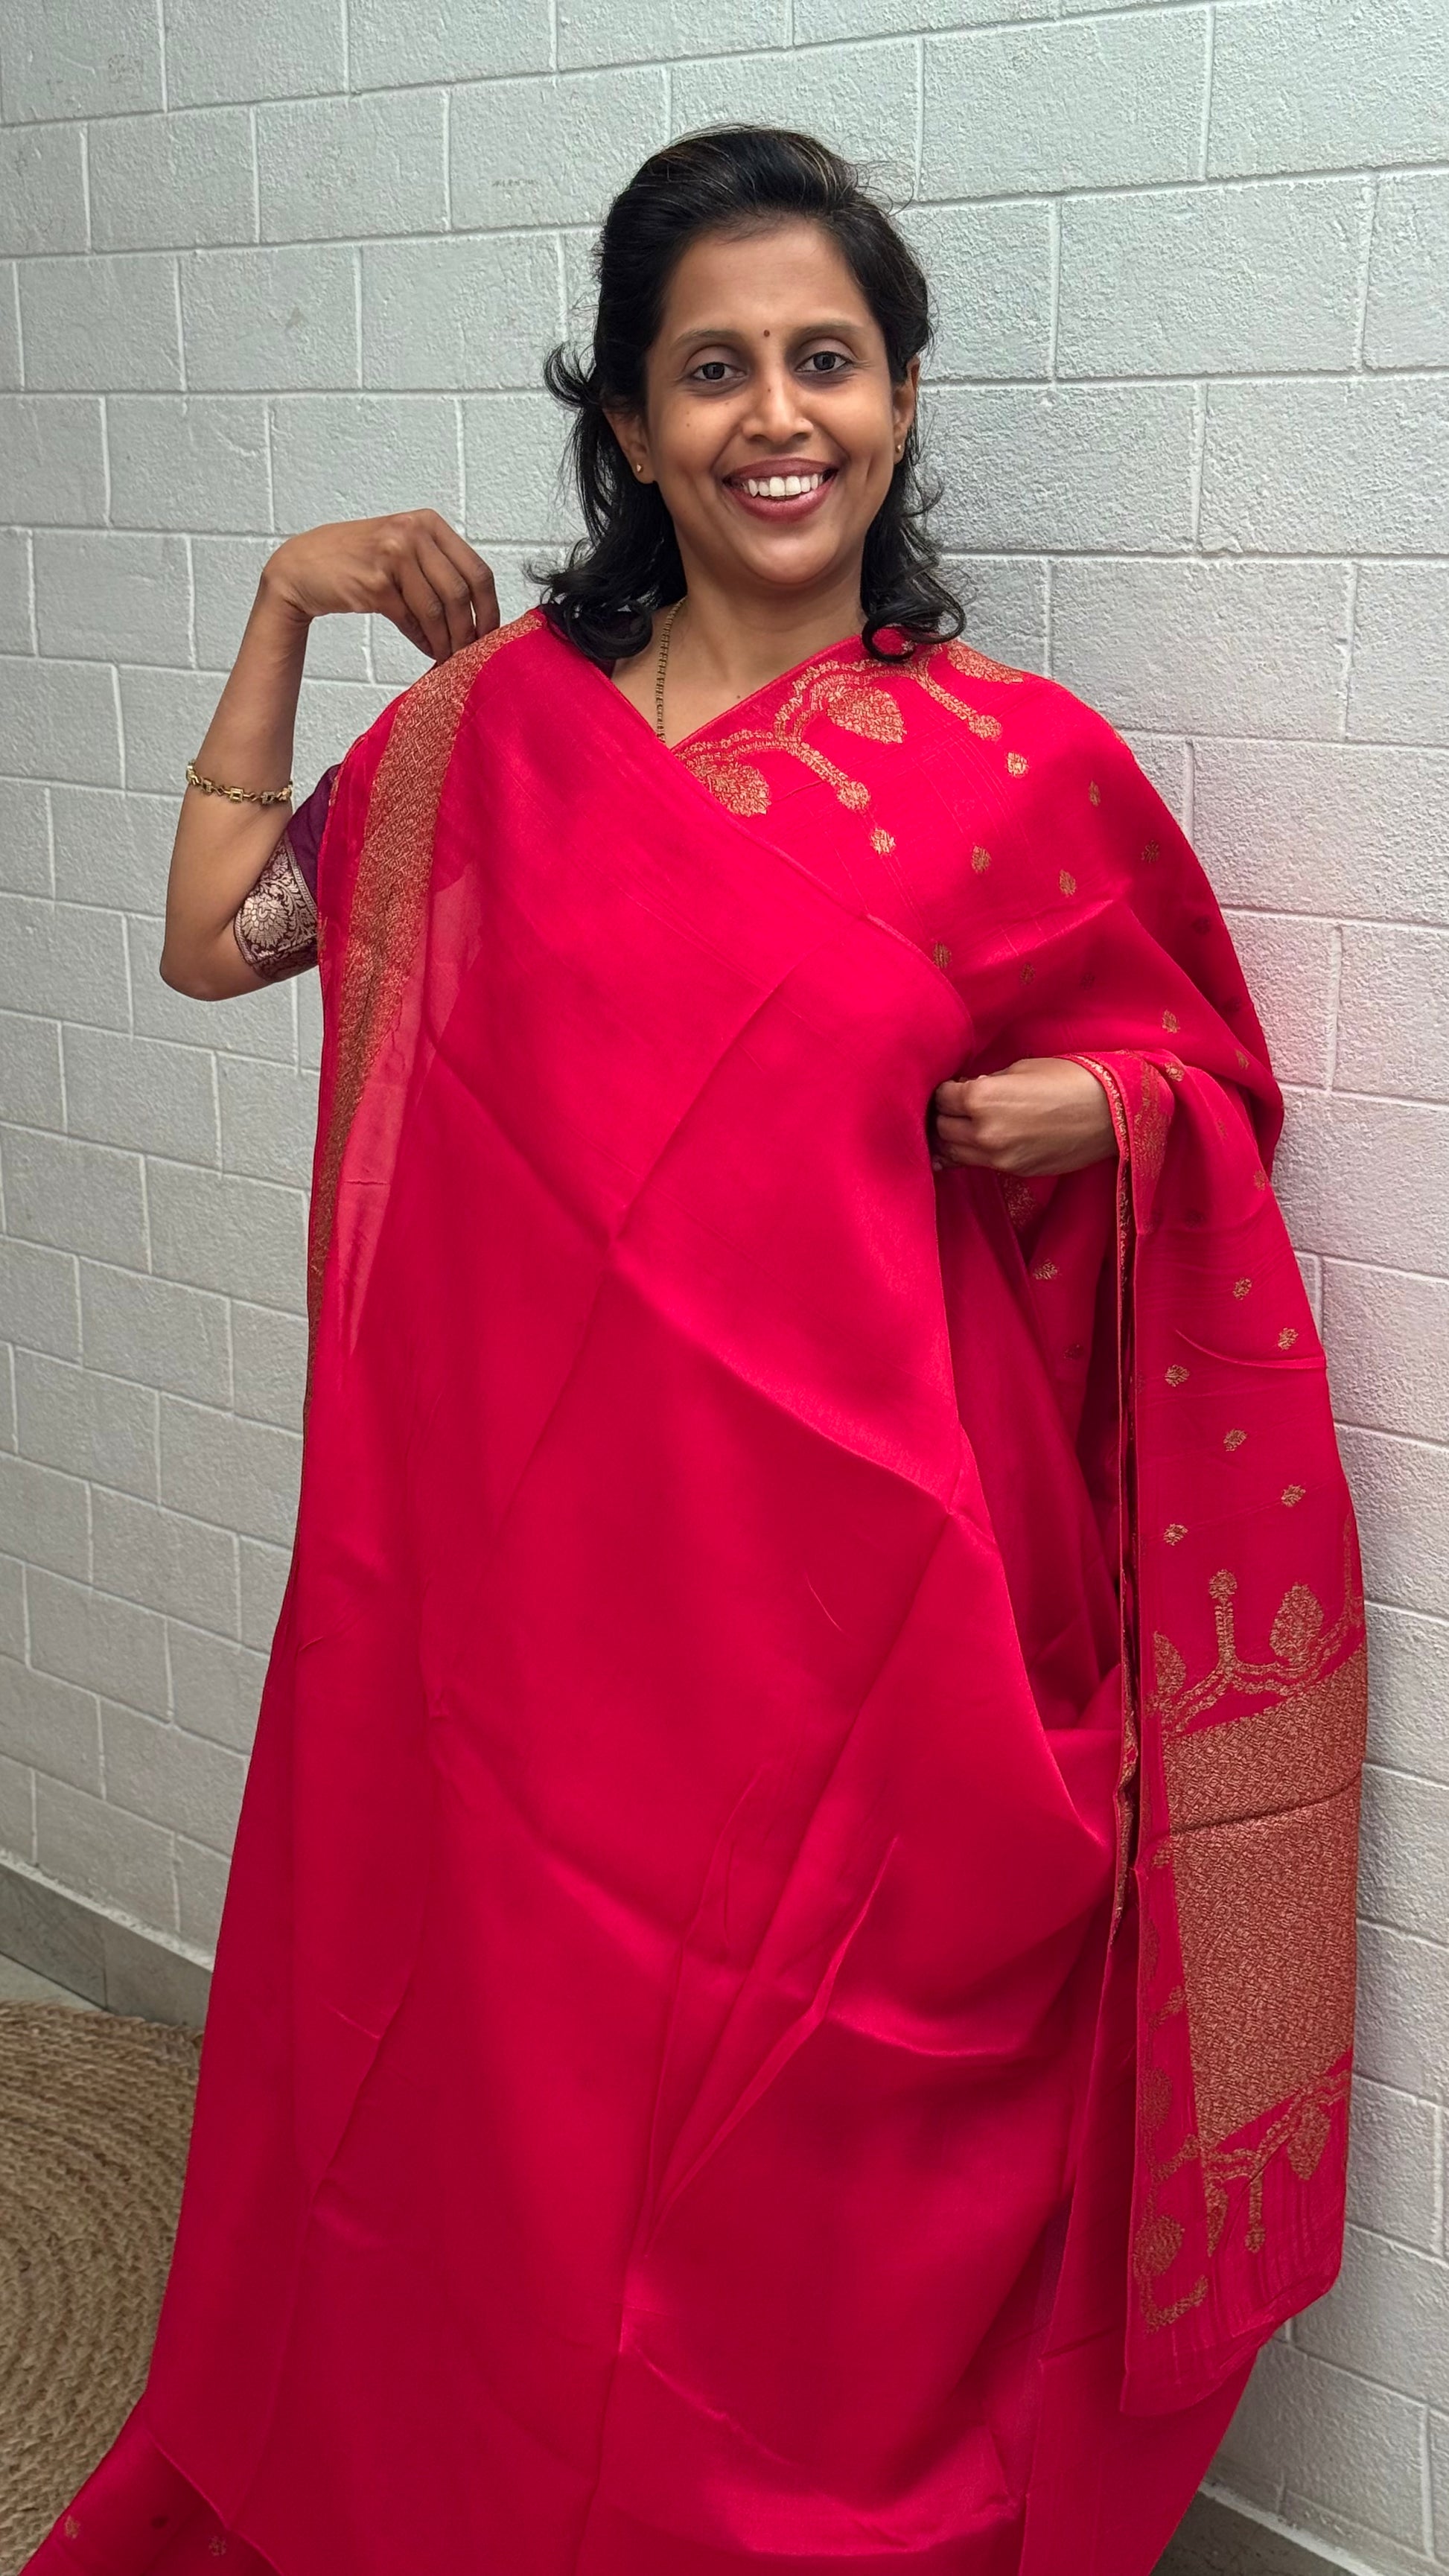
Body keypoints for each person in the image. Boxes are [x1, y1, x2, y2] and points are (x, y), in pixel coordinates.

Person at [25, 127, 1366, 2576]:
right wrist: (286, 600)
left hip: (865, 1634)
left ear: (898, 398)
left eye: (823, 360)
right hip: (534, 1624)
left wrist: (1110, 1107)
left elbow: (1212, 1084)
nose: (777, 415)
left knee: (797, 2184)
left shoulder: (1016, 769)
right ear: (631, 426)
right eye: (712, 368)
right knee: (523, 2141)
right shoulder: (484, 744)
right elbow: (221, 934)